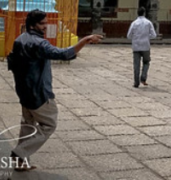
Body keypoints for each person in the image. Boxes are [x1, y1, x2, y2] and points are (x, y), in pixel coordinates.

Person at [7, 10, 102, 172]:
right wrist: (84, 41)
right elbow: (63, 54)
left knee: (27, 125)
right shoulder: (38, 43)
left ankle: (21, 161)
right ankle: (20, 152)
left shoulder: (19, 40)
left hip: (23, 91)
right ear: (32, 24)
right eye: (42, 24)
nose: (45, 27)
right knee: (48, 125)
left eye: (46, 23)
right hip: (39, 93)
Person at [127, 6, 157, 88]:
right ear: (144, 13)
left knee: (136, 65)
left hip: (136, 46)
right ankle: (143, 78)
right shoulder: (148, 23)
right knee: (146, 62)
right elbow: (154, 35)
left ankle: (136, 82)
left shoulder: (134, 23)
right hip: (145, 46)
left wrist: (135, 37)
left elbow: (129, 35)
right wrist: (147, 36)